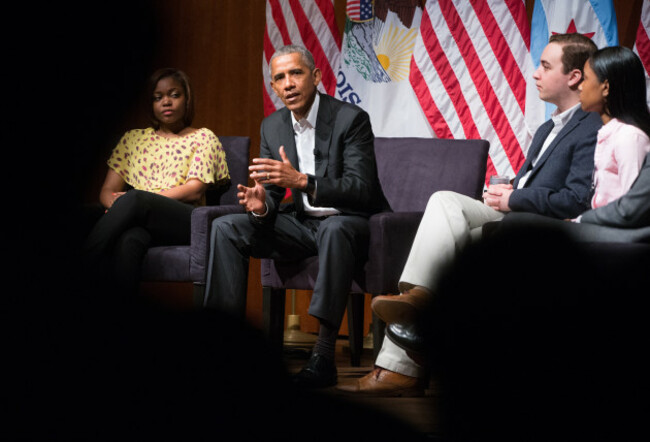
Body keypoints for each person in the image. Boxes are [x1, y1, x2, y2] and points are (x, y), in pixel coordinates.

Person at [337, 33, 602, 396]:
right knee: (445, 201)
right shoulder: (547, 127)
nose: (535, 74)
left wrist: (514, 198)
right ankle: (419, 298)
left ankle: (401, 366)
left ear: (573, 76)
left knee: (463, 246)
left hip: (540, 225)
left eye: (545, 66)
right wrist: (500, 195)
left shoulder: (591, 126)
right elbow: (526, 181)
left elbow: (574, 199)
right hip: (512, 212)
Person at [203, 45, 389, 388]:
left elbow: (361, 189)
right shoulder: (272, 126)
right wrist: (262, 206)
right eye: (279, 78)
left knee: (334, 228)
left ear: (315, 77)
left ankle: (323, 354)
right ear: (273, 87)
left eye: (296, 73)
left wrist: (303, 181)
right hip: (303, 224)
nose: (288, 83)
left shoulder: (351, 119)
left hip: (353, 222)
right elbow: (273, 194)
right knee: (226, 226)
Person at [84, 68, 229, 297]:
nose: (166, 102)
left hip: (184, 219)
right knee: (129, 240)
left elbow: (193, 190)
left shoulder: (203, 137)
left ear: (187, 99)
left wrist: (135, 201)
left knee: (136, 199)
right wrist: (121, 209)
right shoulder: (133, 139)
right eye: (158, 97)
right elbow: (107, 191)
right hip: (138, 218)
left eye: (174, 94)